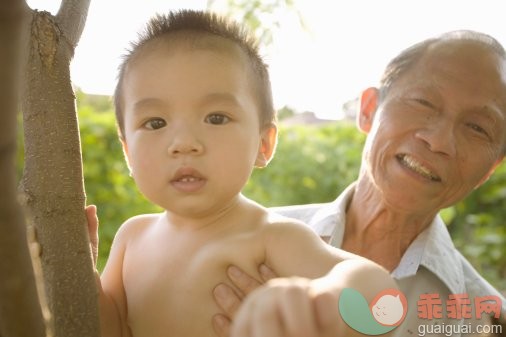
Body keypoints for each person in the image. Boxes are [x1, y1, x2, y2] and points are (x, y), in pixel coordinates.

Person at [92, 9, 398, 337]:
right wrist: (81, 273)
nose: (183, 143)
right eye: (155, 123)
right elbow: (109, 328)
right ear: (128, 152)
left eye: (216, 118)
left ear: (263, 144)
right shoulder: (132, 238)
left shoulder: (270, 238)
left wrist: (326, 302)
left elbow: (386, 303)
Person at [211, 30, 506, 337]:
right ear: (368, 110)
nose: (439, 140)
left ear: (490, 169)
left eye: (477, 128)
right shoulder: (242, 242)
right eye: (424, 102)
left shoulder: (481, 323)